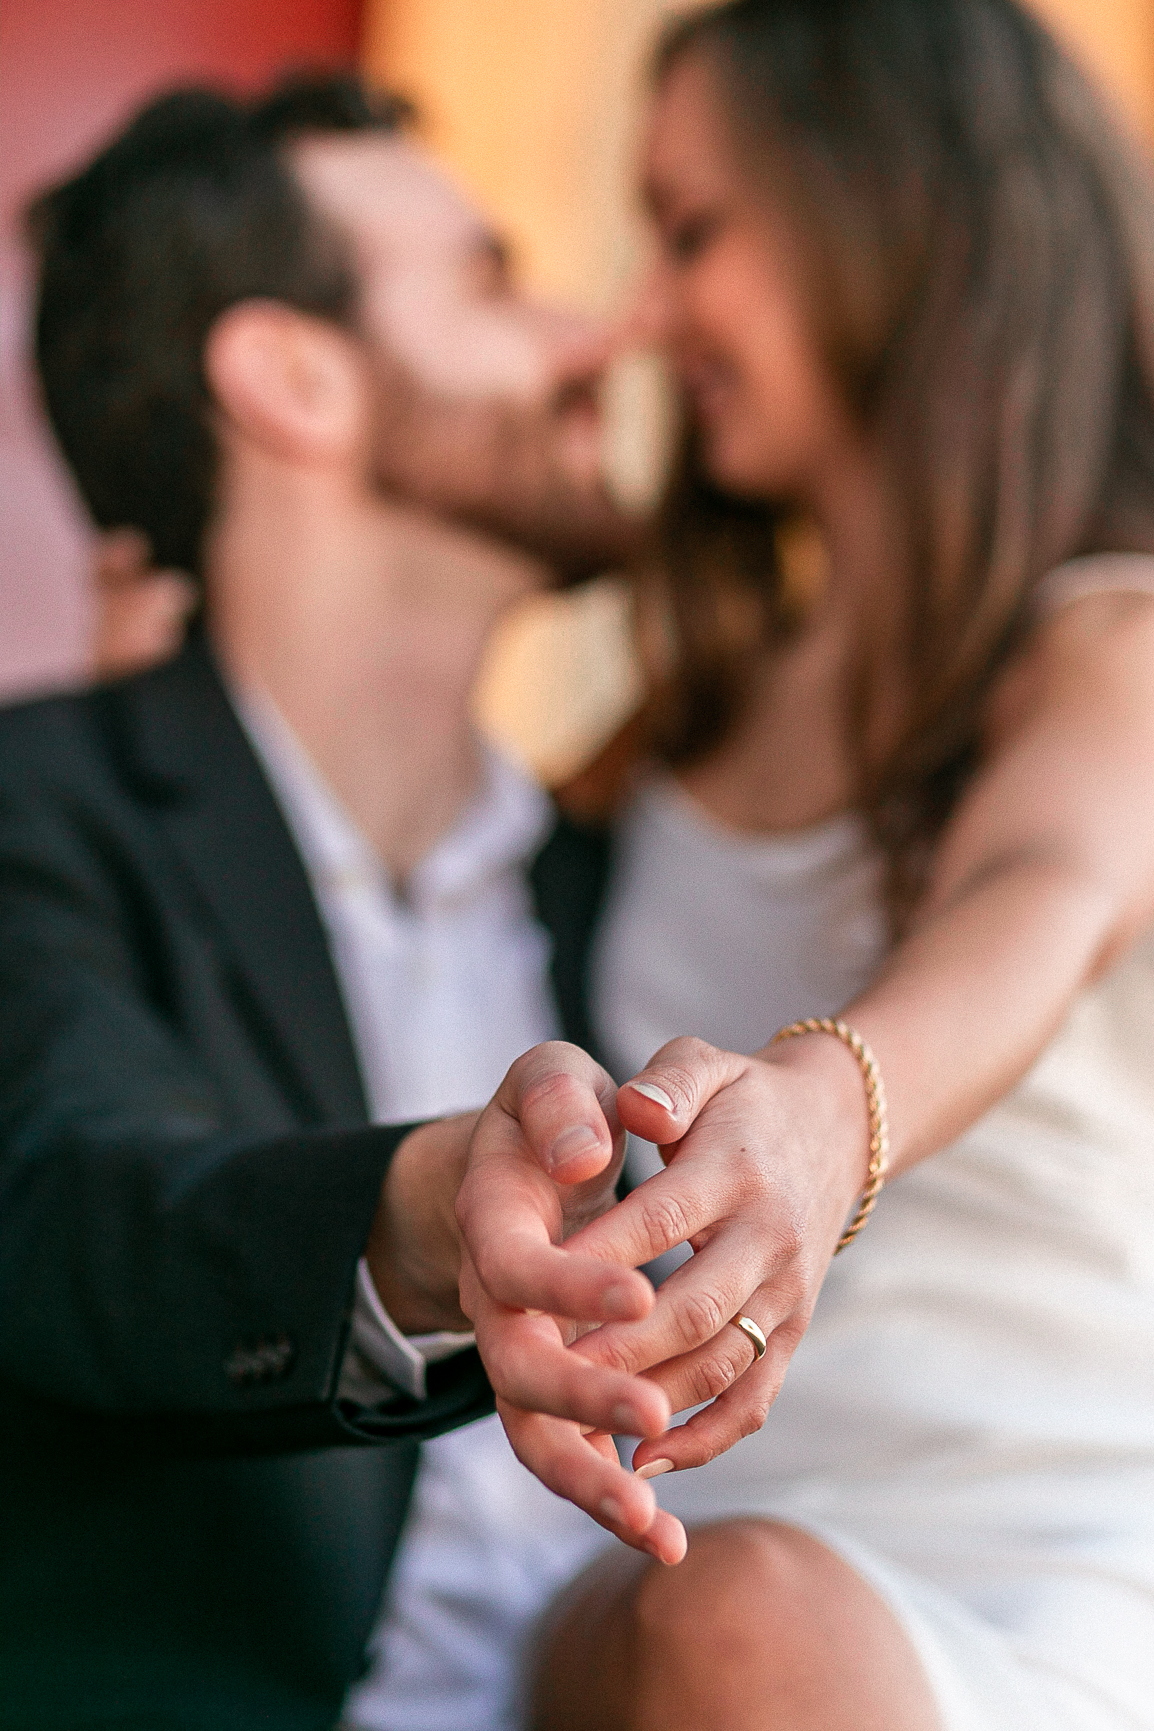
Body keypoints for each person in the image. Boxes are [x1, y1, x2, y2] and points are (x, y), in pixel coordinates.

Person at [322, 4, 1154, 1729]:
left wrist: (817, 1118)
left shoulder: (1107, 650)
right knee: (730, 1623)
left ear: (890, 212)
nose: (642, 317)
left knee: (753, 1638)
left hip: (1064, 1564)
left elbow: (1038, 895)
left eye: (694, 232)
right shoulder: (669, 735)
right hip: (674, 1565)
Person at [0, 74, 688, 1731]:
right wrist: (431, 1216)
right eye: (490, 279)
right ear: (291, 376)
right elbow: (85, 1207)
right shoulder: (34, 814)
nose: (592, 340)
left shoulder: (642, 880)